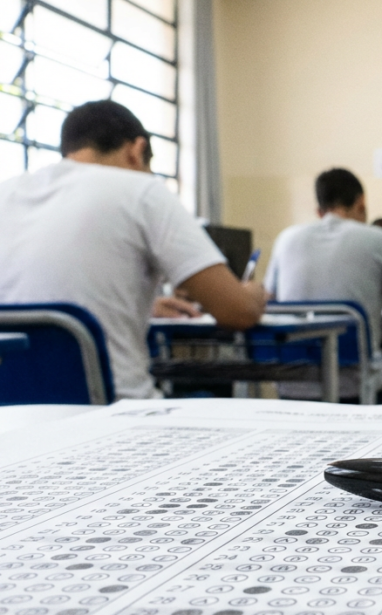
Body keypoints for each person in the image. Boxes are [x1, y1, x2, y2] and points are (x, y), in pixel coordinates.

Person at [0, 100, 266, 399]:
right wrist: (253, 294)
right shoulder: (139, 190)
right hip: (112, 418)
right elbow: (237, 313)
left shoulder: (7, 192)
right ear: (137, 150)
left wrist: (143, 305)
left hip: (12, 420)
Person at [264, 168, 382, 400]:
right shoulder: (379, 240)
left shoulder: (285, 239)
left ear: (318, 210)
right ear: (361, 203)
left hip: (293, 389)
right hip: (357, 390)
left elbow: (266, 304)